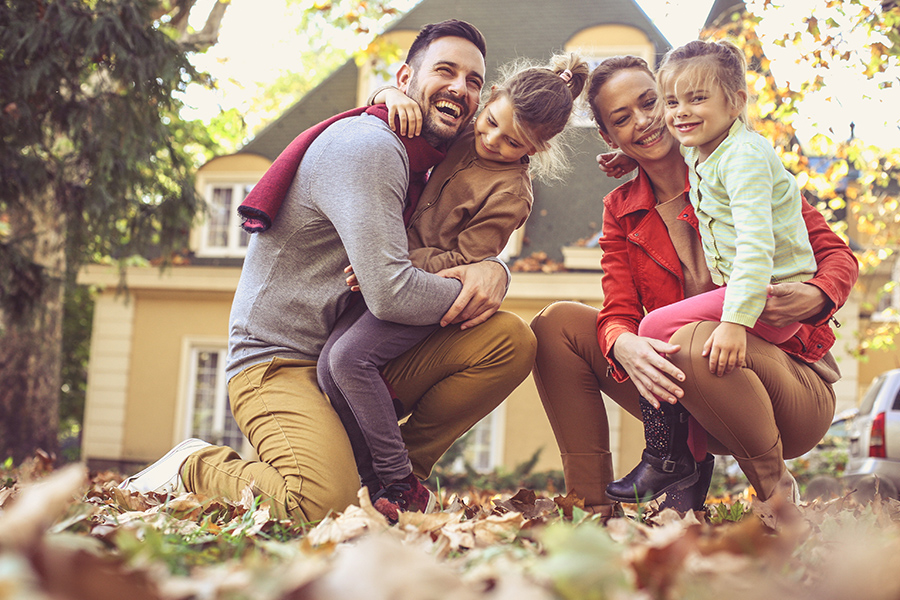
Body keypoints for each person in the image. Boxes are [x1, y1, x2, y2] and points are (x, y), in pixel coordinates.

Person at [119, 20, 537, 525]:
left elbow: (483, 194)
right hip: (277, 362)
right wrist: (473, 281)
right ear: (406, 78)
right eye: (445, 71)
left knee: (510, 340)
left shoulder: (443, 153)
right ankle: (194, 465)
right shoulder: (371, 146)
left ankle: (393, 476)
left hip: (348, 353)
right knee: (319, 505)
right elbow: (390, 294)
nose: (460, 88)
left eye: (473, 81)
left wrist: (493, 268)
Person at [530, 54, 858, 518]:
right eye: (623, 119)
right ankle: (595, 508)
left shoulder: (739, 165)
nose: (645, 122)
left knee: (691, 337)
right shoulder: (622, 208)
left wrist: (817, 294)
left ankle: (776, 496)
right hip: (685, 400)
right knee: (556, 325)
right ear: (608, 137)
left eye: (650, 103)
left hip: (784, 386)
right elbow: (618, 307)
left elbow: (837, 255)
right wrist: (621, 342)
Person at [316, 53, 589, 521]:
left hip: (428, 291)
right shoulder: (463, 131)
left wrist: (388, 260)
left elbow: (465, 260)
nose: (491, 140)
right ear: (491, 100)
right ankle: (372, 483)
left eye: (511, 142)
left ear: (537, 148)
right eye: (491, 122)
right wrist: (387, 94)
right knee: (328, 370)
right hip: (385, 277)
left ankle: (400, 480)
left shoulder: (511, 194)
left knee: (348, 360)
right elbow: (393, 108)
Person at [604, 39, 819, 504]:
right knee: (673, 348)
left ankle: (666, 456)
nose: (679, 113)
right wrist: (633, 154)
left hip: (772, 301)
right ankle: (685, 470)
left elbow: (759, 247)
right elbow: (677, 154)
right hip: (754, 301)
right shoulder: (706, 153)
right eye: (673, 102)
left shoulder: (743, 160)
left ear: (737, 102)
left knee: (656, 327)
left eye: (697, 98)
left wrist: (735, 322)